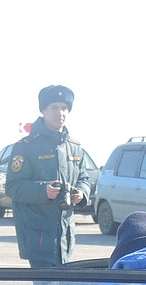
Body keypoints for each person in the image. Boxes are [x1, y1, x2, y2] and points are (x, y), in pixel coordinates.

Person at [7, 84, 90, 267]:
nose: (59, 113)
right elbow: (13, 187)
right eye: (54, 107)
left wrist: (81, 194)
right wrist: (43, 190)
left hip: (65, 236)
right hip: (39, 237)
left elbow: (84, 178)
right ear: (43, 110)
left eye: (64, 108)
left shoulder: (75, 147)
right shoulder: (25, 147)